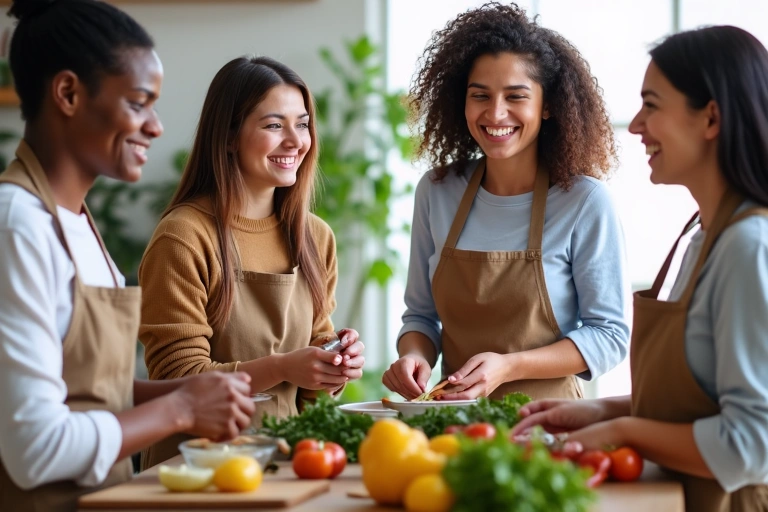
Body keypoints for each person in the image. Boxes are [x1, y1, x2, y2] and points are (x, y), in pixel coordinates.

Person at [0, 1, 256, 511]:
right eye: (139, 103)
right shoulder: (18, 227)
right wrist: (181, 408)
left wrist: (193, 392)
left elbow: (91, 391)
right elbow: (34, 450)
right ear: (68, 93)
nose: (156, 126)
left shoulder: (76, 224)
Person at [513, 25, 768, 511]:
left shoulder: (749, 247)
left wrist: (623, 429)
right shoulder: (703, 236)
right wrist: (594, 411)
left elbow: (753, 444)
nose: (635, 126)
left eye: (652, 105)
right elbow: (703, 404)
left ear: (710, 118)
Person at [383, 2, 629, 401]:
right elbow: (421, 318)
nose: (495, 113)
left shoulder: (584, 201)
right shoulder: (438, 191)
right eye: (480, 95)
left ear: (547, 105)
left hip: (549, 428)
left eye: (516, 96)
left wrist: (510, 366)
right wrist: (415, 357)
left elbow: (610, 335)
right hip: (454, 426)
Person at [138, 56, 365, 468]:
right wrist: (283, 367)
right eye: (274, 125)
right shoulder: (184, 235)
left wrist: (332, 364)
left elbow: (308, 390)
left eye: (303, 124)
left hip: (285, 460)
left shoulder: (315, 237)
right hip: (196, 468)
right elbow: (178, 379)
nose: (296, 141)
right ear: (228, 137)